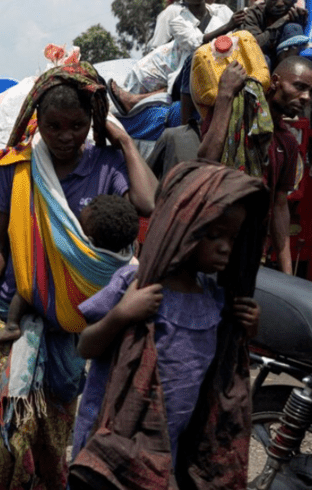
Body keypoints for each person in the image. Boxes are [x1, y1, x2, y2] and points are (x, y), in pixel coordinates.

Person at [0, 62, 157, 489]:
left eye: (78, 125)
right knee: (13, 423)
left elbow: (148, 203)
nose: (66, 136)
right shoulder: (18, 168)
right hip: (12, 308)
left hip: (74, 320)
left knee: (55, 430)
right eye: (54, 126)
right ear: (37, 122)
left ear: (92, 122)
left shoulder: (106, 164)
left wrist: (122, 139)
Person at [69, 161, 267, 489]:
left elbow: (222, 364)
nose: (224, 247)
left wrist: (249, 328)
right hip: (115, 436)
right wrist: (122, 314)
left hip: (169, 440)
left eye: (232, 238)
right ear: (181, 229)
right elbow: (86, 345)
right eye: (213, 235)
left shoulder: (215, 298)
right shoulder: (134, 284)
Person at [198, 56, 312, 274]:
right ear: (276, 81)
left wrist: (287, 275)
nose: (306, 97)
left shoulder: (287, 142)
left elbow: (279, 206)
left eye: (310, 92)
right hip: (208, 238)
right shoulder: (234, 113)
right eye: (299, 87)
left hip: (247, 250)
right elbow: (206, 159)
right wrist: (225, 95)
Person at [0, 194, 140, 342]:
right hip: (81, 317)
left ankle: (12, 325)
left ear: (92, 239)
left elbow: (55, 244)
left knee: (26, 287)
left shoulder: (79, 252)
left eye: (80, 225)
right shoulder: (125, 253)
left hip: (57, 304)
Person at [243, 0, 308, 67]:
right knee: (264, 59)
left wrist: (301, 24)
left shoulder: (297, 15)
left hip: (285, 65)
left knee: (294, 28)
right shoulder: (253, 13)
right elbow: (253, 46)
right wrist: (281, 22)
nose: (279, 4)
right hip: (259, 67)